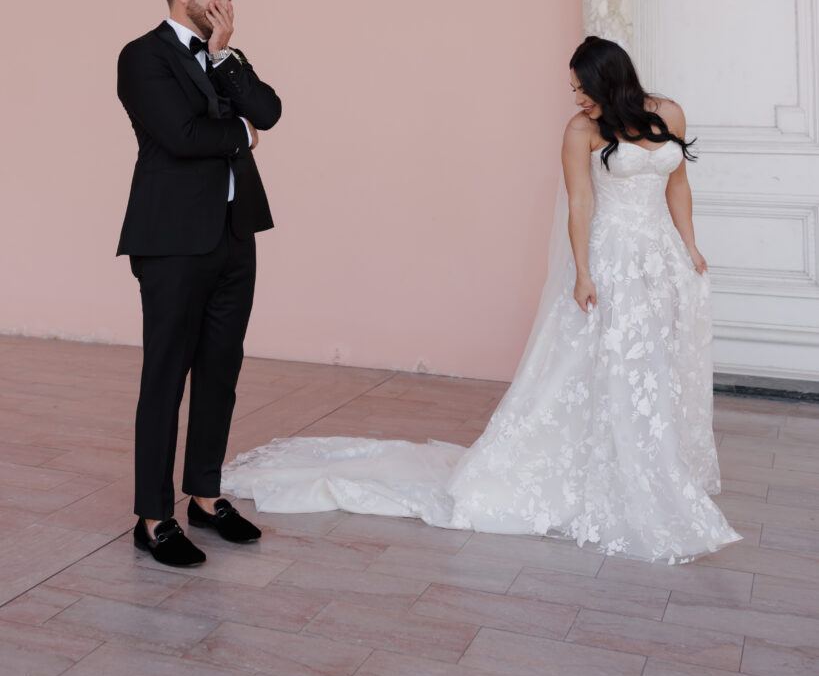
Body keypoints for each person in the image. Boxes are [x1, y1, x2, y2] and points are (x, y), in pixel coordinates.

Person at [223, 36, 739, 563]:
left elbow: (678, 184)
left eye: (583, 89)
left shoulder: (667, 113)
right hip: (609, 260)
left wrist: (690, 247)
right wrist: (583, 272)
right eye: (573, 90)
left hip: (659, 261)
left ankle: (651, 464)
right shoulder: (582, 130)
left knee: (652, 365)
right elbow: (580, 204)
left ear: (611, 81)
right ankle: (611, 469)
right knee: (601, 367)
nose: (576, 99)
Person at [117, 0, 282, 567]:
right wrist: (238, 134)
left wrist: (221, 58)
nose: (228, 6)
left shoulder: (224, 57)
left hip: (235, 235)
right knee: (165, 376)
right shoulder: (142, 56)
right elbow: (181, 136)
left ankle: (205, 498)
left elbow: (268, 110)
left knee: (221, 370)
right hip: (172, 241)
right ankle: (152, 517)